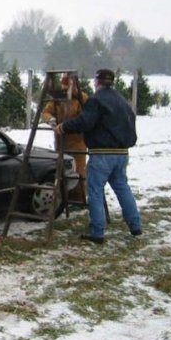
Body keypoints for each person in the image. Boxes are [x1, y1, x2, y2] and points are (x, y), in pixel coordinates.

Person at [54, 69, 141, 244]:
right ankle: (135, 226)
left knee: (94, 191)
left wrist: (64, 127)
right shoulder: (122, 101)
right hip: (122, 154)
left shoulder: (97, 100)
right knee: (122, 188)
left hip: (102, 154)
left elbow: (86, 121)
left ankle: (97, 232)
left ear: (97, 82)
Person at [41, 73, 89, 190]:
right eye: (63, 88)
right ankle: (63, 195)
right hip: (60, 140)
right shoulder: (57, 99)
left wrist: (68, 125)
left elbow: (83, 119)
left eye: (67, 88)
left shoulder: (82, 99)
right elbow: (45, 112)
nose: (65, 91)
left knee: (78, 171)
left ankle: (78, 197)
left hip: (77, 142)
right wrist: (50, 119)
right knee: (61, 170)